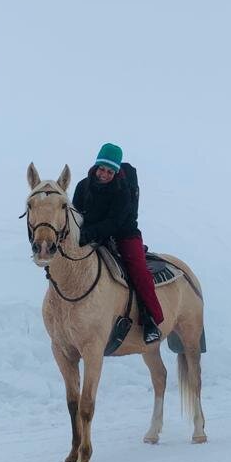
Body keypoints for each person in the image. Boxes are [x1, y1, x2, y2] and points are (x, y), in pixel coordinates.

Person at [72, 143, 163, 343]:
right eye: (101, 169)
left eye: (110, 171)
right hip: (91, 233)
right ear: (96, 166)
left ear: (116, 171)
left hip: (124, 233)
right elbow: (75, 215)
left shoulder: (122, 191)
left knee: (137, 270)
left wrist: (91, 232)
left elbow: (115, 222)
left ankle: (150, 320)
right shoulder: (82, 187)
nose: (104, 174)